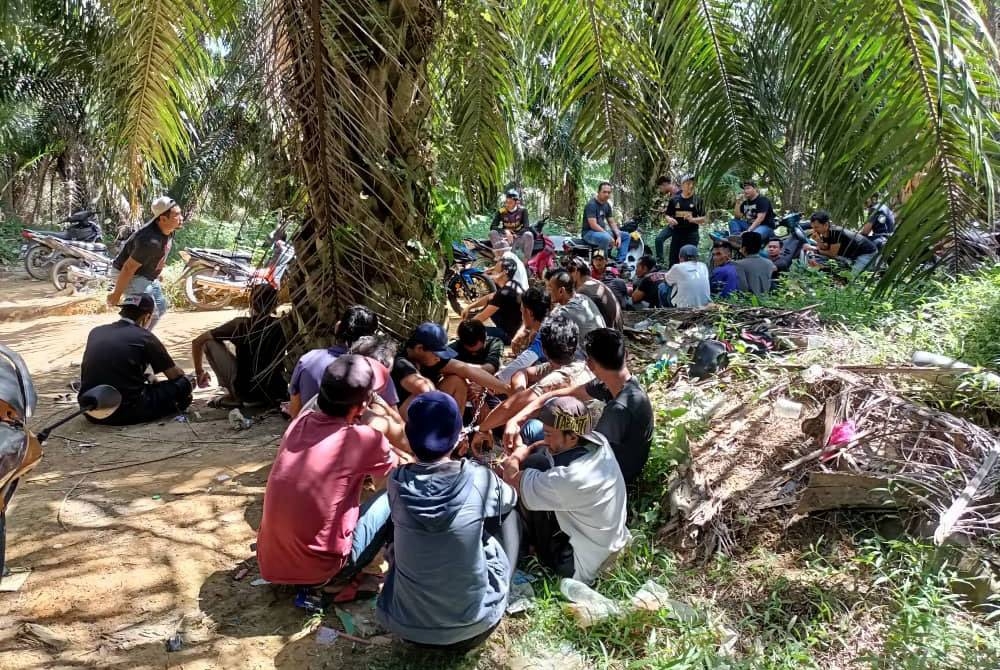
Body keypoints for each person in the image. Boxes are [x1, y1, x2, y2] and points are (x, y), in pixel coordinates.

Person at [376, 392, 519, 651]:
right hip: (475, 627)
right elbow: (511, 498)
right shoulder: (479, 479)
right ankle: (505, 586)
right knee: (507, 512)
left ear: (409, 437)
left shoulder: (396, 482)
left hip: (409, 630)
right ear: (458, 438)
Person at [256, 355, 396, 592]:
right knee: (396, 488)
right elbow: (393, 474)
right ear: (361, 407)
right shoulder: (363, 440)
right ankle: (359, 572)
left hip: (271, 566)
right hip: (323, 571)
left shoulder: (298, 424)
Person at [500, 396, 630, 583]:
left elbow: (512, 479)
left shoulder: (569, 479)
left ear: (572, 437)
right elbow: (546, 450)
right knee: (537, 462)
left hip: (579, 564)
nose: (545, 439)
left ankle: (533, 551)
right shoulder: (599, 442)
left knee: (530, 470)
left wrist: (516, 456)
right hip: (606, 543)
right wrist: (537, 445)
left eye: (549, 434)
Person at [502, 328, 653, 488]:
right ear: (626, 354)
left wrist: (534, 450)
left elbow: (592, 456)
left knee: (534, 461)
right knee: (532, 428)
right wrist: (516, 420)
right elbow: (555, 395)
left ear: (590, 364)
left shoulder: (619, 409)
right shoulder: (618, 385)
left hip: (611, 477)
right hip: (603, 457)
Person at [80, 293, 193, 425]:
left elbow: (112, 367)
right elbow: (174, 375)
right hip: (127, 412)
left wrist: (146, 376)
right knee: (185, 385)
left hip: (91, 410)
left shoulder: (96, 331)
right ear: (147, 317)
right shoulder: (145, 337)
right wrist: (190, 378)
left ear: (123, 312)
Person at [477, 316, 591, 439]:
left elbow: (507, 408)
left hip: (579, 437)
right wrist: (519, 396)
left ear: (543, 349)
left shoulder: (558, 378)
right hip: (578, 430)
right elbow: (522, 373)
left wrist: (480, 429)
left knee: (529, 427)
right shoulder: (578, 363)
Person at [191, 284, 288, 408]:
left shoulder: (240, 325)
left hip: (246, 392)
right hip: (276, 393)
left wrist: (199, 372)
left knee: (208, 342)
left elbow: (197, 341)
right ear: (275, 304)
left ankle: (234, 395)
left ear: (252, 303)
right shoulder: (283, 325)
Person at [288, 305, 392, 417]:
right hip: (353, 432)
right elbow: (391, 418)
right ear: (372, 337)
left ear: (338, 326)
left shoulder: (308, 359)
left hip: (310, 430)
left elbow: (295, 412)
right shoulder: (375, 370)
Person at [391, 322, 510, 412]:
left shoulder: (429, 357)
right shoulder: (401, 363)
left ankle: (456, 431)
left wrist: (507, 389)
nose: (439, 358)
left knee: (457, 380)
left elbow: (466, 369)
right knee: (428, 395)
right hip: (405, 417)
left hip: (427, 406)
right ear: (419, 349)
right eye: (436, 354)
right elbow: (425, 390)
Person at [108, 196, 183, 330]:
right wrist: (116, 294)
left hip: (144, 275)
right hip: (128, 274)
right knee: (144, 311)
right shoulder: (149, 240)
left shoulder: (169, 230)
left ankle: (141, 338)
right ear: (163, 219)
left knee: (161, 307)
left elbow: (161, 252)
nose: (181, 218)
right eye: (176, 215)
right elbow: (128, 268)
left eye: (180, 213)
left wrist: (156, 271)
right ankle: (127, 340)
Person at [461, 257, 523, 344]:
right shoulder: (513, 285)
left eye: (495, 269)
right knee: (490, 301)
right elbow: (489, 297)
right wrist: (470, 307)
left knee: (474, 332)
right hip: (514, 329)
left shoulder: (504, 293)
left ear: (504, 273)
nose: (491, 271)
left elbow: (481, 317)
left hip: (509, 335)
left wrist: (464, 329)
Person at [500, 288, 551, 384]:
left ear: (530, 312)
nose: (521, 315)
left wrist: (494, 381)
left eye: (522, 310)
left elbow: (523, 362)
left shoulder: (543, 335)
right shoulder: (552, 324)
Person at [805, 210, 878, 273]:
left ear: (825, 225)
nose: (814, 230)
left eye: (816, 227)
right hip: (853, 255)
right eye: (813, 227)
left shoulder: (835, 232)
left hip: (867, 253)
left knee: (853, 279)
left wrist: (815, 249)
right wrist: (818, 240)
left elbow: (832, 254)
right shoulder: (825, 232)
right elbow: (825, 248)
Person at [546, 270, 606, 348]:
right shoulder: (583, 298)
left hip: (590, 356)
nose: (548, 291)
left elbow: (544, 332)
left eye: (550, 288)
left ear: (561, 291)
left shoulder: (563, 313)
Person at [567, 257, 623, 331]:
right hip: (615, 332)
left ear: (576, 271)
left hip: (608, 336)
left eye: (569, 273)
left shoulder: (583, 291)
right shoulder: (597, 283)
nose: (568, 278)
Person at [664, 175, 707, 268]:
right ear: (682, 185)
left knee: (690, 262)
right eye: (688, 184)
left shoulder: (698, 200)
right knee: (674, 260)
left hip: (691, 234)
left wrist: (693, 219)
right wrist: (669, 219)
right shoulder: (674, 200)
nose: (691, 186)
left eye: (693, 184)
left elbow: (704, 218)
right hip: (677, 234)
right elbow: (667, 214)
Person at [580, 182, 626, 263]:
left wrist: (618, 236)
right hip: (589, 233)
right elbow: (593, 225)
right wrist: (608, 235)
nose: (607, 194)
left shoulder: (607, 205)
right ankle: (603, 262)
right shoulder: (591, 205)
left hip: (602, 232)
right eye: (604, 192)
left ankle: (620, 261)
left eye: (609, 192)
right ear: (598, 192)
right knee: (605, 238)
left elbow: (611, 222)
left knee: (626, 236)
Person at [490, 189, 533, 260]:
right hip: (505, 237)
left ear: (517, 202)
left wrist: (515, 235)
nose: (507, 204)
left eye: (510, 202)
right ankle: (500, 257)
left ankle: (526, 261)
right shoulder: (501, 211)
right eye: (506, 202)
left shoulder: (523, 210)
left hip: (518, 237)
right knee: (492, 233)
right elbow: (492, 227)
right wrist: (506, 231)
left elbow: (526, 227)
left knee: (529, 235)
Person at [734, 231, 777, 296]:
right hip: (766, 301)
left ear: (744, 248)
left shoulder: (738, 264)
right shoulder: (769, 263)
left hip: (747, 302)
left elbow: (742, 287)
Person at [653, 175, 680, 264]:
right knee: (659, 239)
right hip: (673, 224)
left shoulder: (679, 193)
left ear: (664, 185)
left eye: (660, 188)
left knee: (675, 251)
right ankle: (660, 262)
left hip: (680, 226)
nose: (660, 190)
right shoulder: (672, 194)